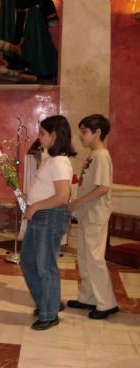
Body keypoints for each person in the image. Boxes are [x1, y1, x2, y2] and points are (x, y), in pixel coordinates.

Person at [20, 115, 76, 331]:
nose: (39, 137)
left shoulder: (61, 161)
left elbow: (63, 196)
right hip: (41, 216)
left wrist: (34, 206)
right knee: (28, 262)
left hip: (50, 216)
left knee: (46, 266)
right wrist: (29, 198)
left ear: (53, 136)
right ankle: (48, 303)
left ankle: (49, 313)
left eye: (42, 133)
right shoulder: (50, 159)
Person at [67, 114, 119, 320]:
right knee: (85, 257)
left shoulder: (101, 156)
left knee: (95, 258)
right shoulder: (92, 155)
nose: (80, 135)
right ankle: (88, 297)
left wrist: (78, 202)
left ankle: (107, 303)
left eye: (84, 131)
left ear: (97, 133)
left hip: (95, 214)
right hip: (87, 214)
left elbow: (103, 187)